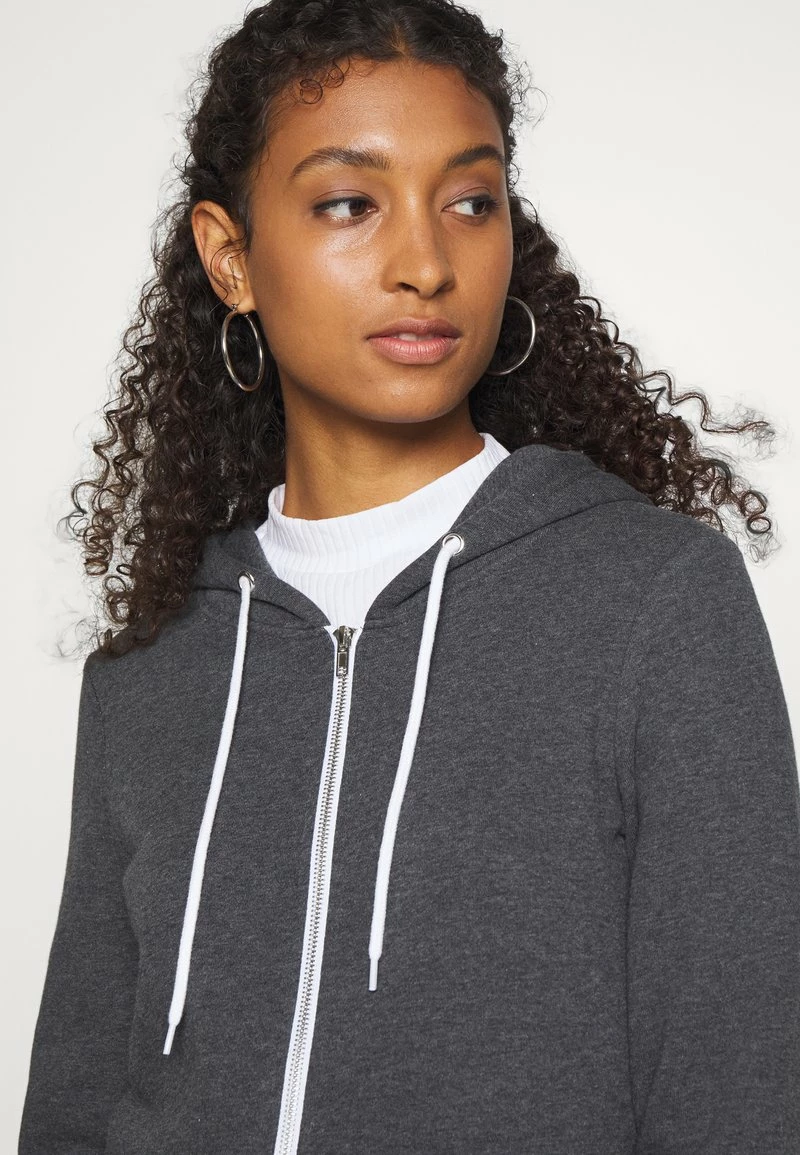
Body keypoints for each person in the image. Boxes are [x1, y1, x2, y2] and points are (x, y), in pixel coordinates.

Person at [18, 0, 800, 1151]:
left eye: (469, 203)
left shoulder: (652, 605)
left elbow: (739, 1095)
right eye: (349, 204)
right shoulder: (154, 663)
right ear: (230, 259)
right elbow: (75, 1099)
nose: (426, 265)